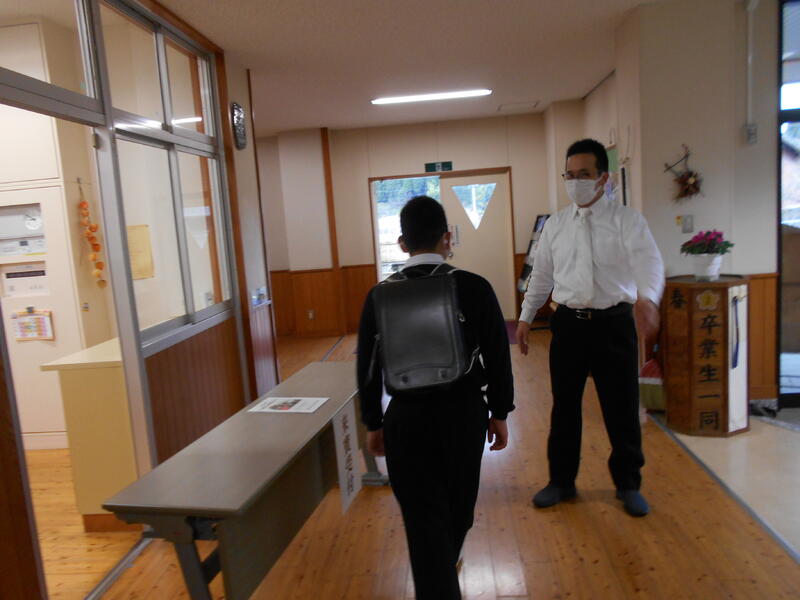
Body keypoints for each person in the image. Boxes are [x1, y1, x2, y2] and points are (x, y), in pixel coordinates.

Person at [357, 196, 514, 600]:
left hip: (406, 419)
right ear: (447, 238)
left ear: (402, 243)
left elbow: (368, 367)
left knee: (422, 521)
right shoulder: (475, 287)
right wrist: (499, 412)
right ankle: (446, 566)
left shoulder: (379, 296)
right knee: (458, 511)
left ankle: (439, 572)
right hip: (463, 415)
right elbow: (498, 355)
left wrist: (373, 422)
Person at [516, 138, 664, 517]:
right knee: (564, 407)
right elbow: (541, 275)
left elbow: (648, 263)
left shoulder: (627, 221)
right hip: (569, 325)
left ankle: (628, 484)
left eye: (584, 174)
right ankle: (561, 481)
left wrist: (648, 299)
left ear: (603, 178)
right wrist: (526, 317)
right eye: (569, 175)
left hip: (615, 323)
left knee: (621, 407)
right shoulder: (556, 225)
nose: (575, 182)